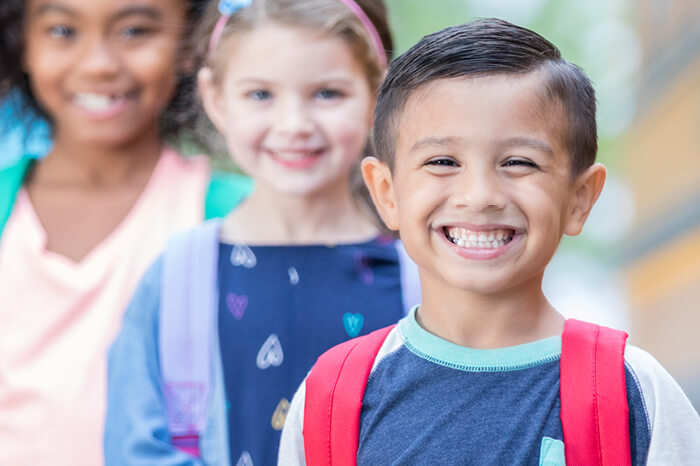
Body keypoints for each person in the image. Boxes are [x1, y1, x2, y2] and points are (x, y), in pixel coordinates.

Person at [279, 19, 700, 464]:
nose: (479, 196)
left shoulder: (633, 392)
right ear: (386, 192)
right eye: (442, 161)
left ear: (580, 199)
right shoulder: (332, 396)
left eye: (519, 162)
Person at [104, 1, 418, 465]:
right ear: (215, 97)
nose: (294, 126)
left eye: (327, 93)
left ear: (377, 94)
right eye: (260, 95)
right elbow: (135, 449)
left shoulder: (422, 277)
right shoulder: (176, 281)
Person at [0, 0, 251, 464]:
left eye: (134, 31)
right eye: (62, 31)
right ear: (23, 42)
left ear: (188, 44)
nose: (98, 64)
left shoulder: (239, 218)